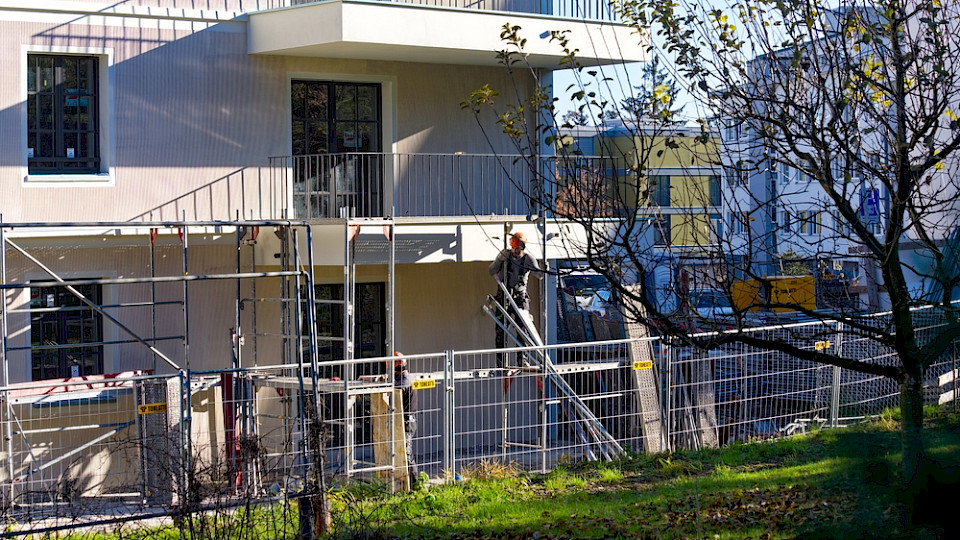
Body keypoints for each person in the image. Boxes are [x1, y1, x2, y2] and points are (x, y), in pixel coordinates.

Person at [488, 232, 541, 367]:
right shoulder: (505, 256)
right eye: (514, 248)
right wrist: (499, 259)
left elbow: (539, 275)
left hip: (519, 298)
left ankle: (522, 360)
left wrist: (544, 268)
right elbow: (491, 270)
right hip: (503, 297)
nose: (516, 252)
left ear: (523, 247)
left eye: (518, 249)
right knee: (501, 329)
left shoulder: (528, 259)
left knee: (522, 330)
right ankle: (501, 362)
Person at [393, 352, 418, 489]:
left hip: (406, 423)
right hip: (407, 421)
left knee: (407, 455)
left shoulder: (403, 383)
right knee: (402, 454)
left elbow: (397, 389)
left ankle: (415, 485)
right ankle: (405, 485)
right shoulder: (408, 378)